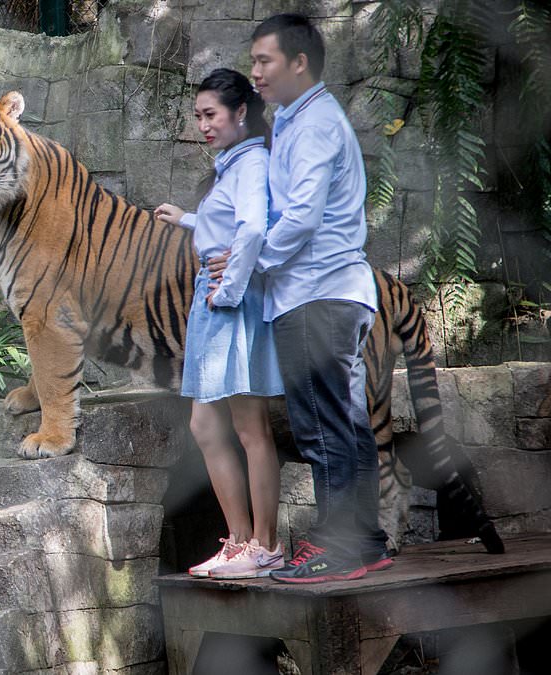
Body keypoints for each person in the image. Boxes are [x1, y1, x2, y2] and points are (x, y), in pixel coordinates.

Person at [212, 13, 393, 583]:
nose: (255, 72)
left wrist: (250, 265)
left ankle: (340, 549)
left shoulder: (314, 124)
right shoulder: (297, 118)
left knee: (321, 424)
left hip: (317, 294)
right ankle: (364, 543)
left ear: (299, 63)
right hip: (330, 292)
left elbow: (301, 218)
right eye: (254, 60)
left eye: (264, 61)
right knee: (346, 420)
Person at [154, 68, 285, 580]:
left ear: (240, 113)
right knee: (207, 425)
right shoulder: (233, 164)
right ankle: (239, 543)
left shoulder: (251, 161)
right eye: (198, 116)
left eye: (211, 115)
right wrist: (189, 219)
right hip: (214, 305)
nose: (203, 125)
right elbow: (232, 224)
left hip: (230, 303)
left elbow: (254, 227)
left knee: (249, 428)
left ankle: (264, 545)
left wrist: (229, 286)